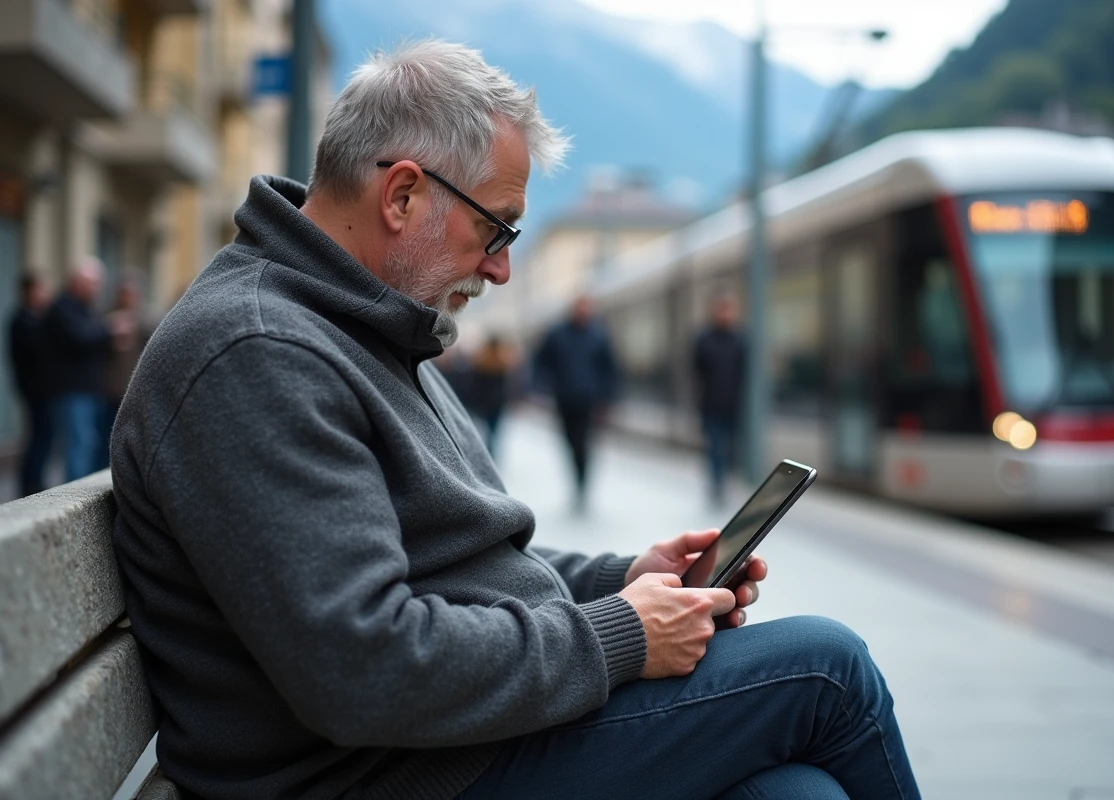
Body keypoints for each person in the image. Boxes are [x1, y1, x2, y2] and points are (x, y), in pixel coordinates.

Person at [108, 41, 921, 800]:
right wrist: (622, 636)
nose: (501, 267)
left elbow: (465, 560)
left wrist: (621, 583)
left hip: (445, 747)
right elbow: (362, 666)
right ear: (402, 194)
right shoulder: (257, 353)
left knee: (799, 794)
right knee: (825, 669)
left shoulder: (357, 330)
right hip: (391, 775)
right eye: (496, 228)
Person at [42, 257, 125, 482]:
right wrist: (109, 332)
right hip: (71, 390)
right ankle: (74, 496)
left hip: (88, 390)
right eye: (92, 283)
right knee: (79, 444)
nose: (96, 289)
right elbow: (81, 339)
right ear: (77, 282)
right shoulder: (62, 308)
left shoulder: (84, 309)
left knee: (88, 443)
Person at [534, 296, 619, 512]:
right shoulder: (557, 334)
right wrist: (544, 385)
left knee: (583, 443)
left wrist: (608, 397)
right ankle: (577, 477)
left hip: (589, 399)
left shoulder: (598, 335)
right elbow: (541, 361)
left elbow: (609, 368)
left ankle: (581, 483)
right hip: (564, 398)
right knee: (569, 442)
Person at [693, 294, 746, 505]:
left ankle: (724, 479)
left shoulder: (739, 340)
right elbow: (697, 369)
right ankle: (717, 484)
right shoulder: (704, 339)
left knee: (731, 448)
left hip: (734, 405)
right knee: (714, 446)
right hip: (711, 404)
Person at [99, 276, 150, 469]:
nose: (128, 298)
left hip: (131, 390)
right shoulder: (106, 317)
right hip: (107, 389)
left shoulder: (144, 319)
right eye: (125, 294)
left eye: (132, 294)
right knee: (103, 439)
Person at [8, 273, 53, 496]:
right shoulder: (22, 320)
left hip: (41, 388)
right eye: (40, 289)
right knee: (38, 436)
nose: (44, 294)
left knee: (42, 436)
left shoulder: (35, 318)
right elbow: (34, 353)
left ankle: (35, 480)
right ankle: (30, 483)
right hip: (34, 389)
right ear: (28, 291)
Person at [470, 333, 514, 456]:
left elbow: (475, 385)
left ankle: (484, 454)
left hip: (483, 402)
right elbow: (506, 385)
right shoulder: (503, 362)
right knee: (494, 432)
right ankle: (491, 455)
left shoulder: (480, 361)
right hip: (498, 402)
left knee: (483, 431)